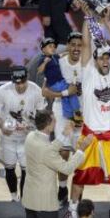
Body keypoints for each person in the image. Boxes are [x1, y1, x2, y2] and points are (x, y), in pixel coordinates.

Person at [64, 6, 110, 218]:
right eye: (102, 58)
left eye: (108, 58)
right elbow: (86, 44)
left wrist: (107, 21)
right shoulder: (88, 73)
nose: (106, 60)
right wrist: (87, 17)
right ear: (95, 60)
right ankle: (73, 211)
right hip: (90, 133)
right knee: (80, 175)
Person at [22, 109, 93, 218]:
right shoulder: (46, 150)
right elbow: (67, 168)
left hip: (30, 199)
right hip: (44, 204)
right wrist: (82, 148)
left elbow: (49, 149)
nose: (56, 122)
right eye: (54, 120)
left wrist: (64, 134)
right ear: (48, 125)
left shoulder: (30, 136)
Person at [42, 31, 83, 207]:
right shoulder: (58, 62)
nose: (75, 48)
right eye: (72, 44)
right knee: (63, 151)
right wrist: (66, 92)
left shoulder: (87, 63)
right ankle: (63, 189)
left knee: (81, 152)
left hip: (82, 110)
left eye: (79, 45)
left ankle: (78, 192)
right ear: (68, 45)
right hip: (61, 108)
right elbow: (44, 91)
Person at [0, 66, 46, 202]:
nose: (19, 86)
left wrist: (33, 122)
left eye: (22, 82)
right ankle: (13, 196)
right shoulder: (3, 91)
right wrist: (2, 126)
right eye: (16, 83)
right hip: (8, 137)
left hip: (28, 137)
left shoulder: (36, 91)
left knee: (26, 170)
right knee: (9, 168)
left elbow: (42, 114)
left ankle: (24, 199)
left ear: (27, 78)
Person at [38, 37, 82, 123]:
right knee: (71, 91)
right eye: (50, 46)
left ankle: (69, 116)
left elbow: (61, 55)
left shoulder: (55, 56)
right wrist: (45, 62)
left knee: (65, 97)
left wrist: (70, 52)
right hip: (55, 84)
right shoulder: (43, 59)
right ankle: (76, 113)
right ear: (43, 49)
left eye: (53, 46)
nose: (53, 48)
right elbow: (44, 91)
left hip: (60, 82)